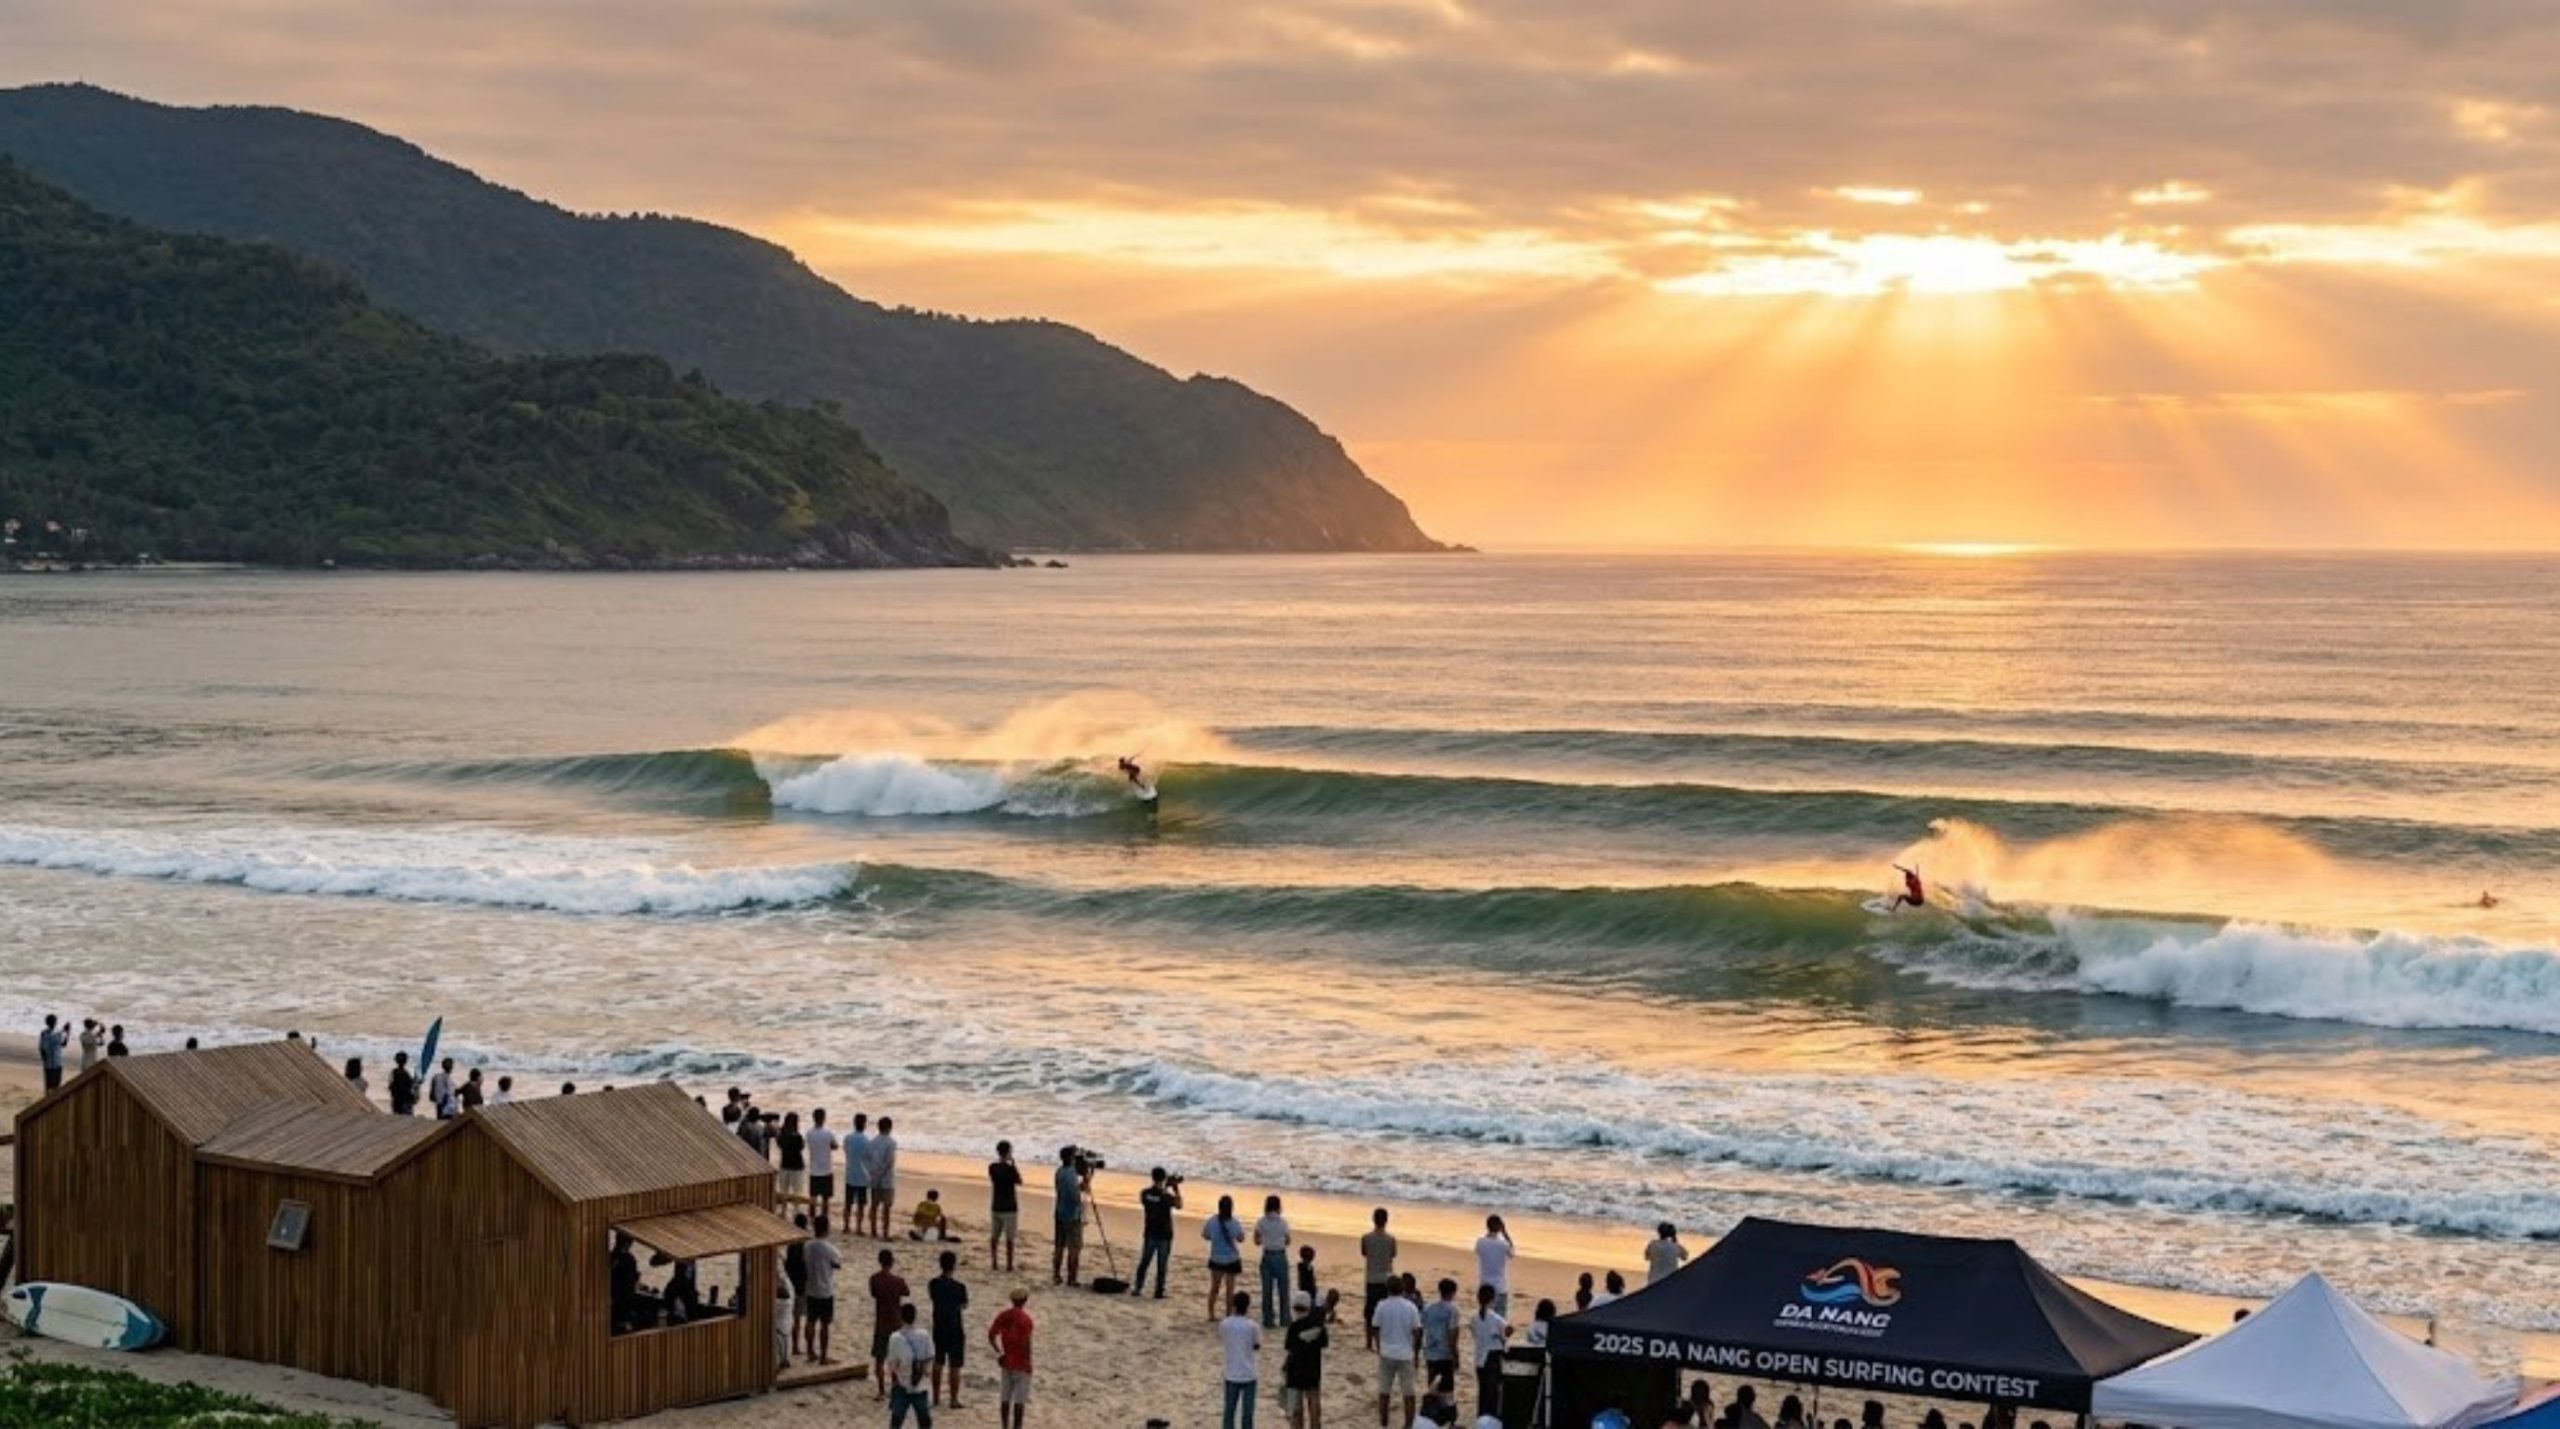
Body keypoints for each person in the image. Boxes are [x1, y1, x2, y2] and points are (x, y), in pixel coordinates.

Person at [1373, 1274, 1425, 1429]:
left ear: (1388, 1289)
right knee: (1408, 1392)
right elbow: (1417, 1331)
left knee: (1384, 1390)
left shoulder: (1381, 1305)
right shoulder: (1410, 1307)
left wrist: (1379, 1346)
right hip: (1405, 1353)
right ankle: (1408, 1424)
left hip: (1387, 1352)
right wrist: (1415, 1351)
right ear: (1402, 1289)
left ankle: (1384, 1422)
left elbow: (1375, 1327)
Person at [988, 1285, 1035, 1429]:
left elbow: (991, 1335)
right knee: (1019, 1400)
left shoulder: (1003, 1316)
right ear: (1025, 1300)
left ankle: (1004, 1426)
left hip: (1007, 1360)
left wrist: (999, 1353)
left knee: (1005, 1397)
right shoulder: (1026, 1319)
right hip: (1020, 1362)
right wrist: (1028, 1362)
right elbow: (1026, 1343)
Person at [928, 1249, 969, 1408]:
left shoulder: (933, 1284)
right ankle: (953, 1399)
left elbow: (933, 1298)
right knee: (955, 1365)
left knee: (938, 1362)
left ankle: (936, 1397)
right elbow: (964, 1304)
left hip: (939, 1326)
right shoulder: (960, 1287)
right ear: (954, 1266)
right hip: (955, 1327)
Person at [885, 1302, 936, 1428]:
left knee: (896, 1420)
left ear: (900, 1317)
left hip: (902, 1383)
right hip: (920, 1384)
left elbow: (892, 1364)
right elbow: (930, 1356)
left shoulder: (895, 1338)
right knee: (924, 1420)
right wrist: (925, 1371)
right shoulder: (924, 1335)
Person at [1135, 1166, 1183, 1298]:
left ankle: (1138, 1287)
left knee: (1144, 1261)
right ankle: (1159, 1290)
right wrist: (1176, 1189)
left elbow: (1153, 1199)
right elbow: (1179, 1205)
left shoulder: (1145, 1193)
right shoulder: (1166, 1196)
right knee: (1162, 1265)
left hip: (1150, 1232)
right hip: (1164, 1234)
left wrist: (1165, 1188)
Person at [1285, 1288, 1329, 1429]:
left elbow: (1289, 1347)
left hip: (1295, 1372)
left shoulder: (1293, 1327)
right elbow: (1325, 1343)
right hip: (1313, 1370)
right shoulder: (1318, 1326)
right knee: (1314, 1407)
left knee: (1296, 1411)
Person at [870, 1247, 912, 1394]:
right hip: (895, 1322)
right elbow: (906, 1292)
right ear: (892, 1262)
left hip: (881, 1322)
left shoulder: (874, 1279)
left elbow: (874, 1294)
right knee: (895, 1358)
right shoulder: (898, 1281)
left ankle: (881, 1389)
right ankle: (895, 1385)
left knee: (879, 1359)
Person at [1220, 1290, 1263, 1429]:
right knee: (1247, 1414)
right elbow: (1257, 1345)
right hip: (1249, 1373)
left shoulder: (1225, 1324)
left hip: (1231, 1372)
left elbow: (1224, 1339)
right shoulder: (1252, 1326)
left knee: (1229, 1412)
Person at [804, 1216, 844, 1364]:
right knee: (825, 1325)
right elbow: (837, 1264)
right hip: (825, 1289)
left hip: (810, 1288)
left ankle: (810, 1352)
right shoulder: (829, 1249)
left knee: (810, 1321)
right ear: (826, 1229)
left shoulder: (807, 1246)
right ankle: (823, 1356)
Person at [1203, 1193, 1247, 1322]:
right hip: (1231, 1259)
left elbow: (1205, 1235)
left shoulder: (1212, 1221)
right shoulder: (1234, 1223)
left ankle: (1211, 1314)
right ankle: (1228, 1314)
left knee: (1214, 1288)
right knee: (1230, 1290)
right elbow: (1241, 1238)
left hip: (1216, 1258)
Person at [1360, 1208, 1398, 1349]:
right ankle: (1381, 1341)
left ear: (1373, 1219)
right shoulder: (1391, 1239)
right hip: (1385, 1279)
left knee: (1370, 1312)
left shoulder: (1366, 1238)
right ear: (1386, 1221)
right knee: (1384, 1312)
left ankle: (1369, 1342)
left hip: (1371, 1278)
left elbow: (1364, 1253)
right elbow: (1393, 1254)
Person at [1052, 1146, 1090, 1286]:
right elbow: (1075, 1197)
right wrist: (1085, 1184)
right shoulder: (1072, 1174)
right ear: (1071, 1158)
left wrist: (1085, 1179)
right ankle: (1072, 1278)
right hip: (1072, 1215)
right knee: (1074, 1247)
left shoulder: (1060, 1171)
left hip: (1059, 1212)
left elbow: (1064, 1190)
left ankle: (1056, 1275)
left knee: (1059, 1245)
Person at [1468, 1283, 1508, 1415]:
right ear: (1493, 1299)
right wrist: (1503, 1338)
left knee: (1483, 1391)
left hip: (1479, 1357)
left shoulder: (1474, 1318)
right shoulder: (1496, 1318)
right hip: (1492, 1357)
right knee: (1493, 1394)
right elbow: (1507, 1331)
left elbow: (1474, 1333)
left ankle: (1481, 1418)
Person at [1419, 1277, 1461, 1401]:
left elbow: (1421, 1328)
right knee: (1447, 1391)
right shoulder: (1453, 1310)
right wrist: (1456, 1356)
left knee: (1432, 1387)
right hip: (1445, 1354)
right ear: (1453, 1292)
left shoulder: (1428, 1307)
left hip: (1430, 1352)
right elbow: (1452, 1336)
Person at [1256, 1195, 1294, 1328]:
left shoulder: (1261, 1221)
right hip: (1280, 1255)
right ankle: (1285, 1318)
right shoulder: (1283, 1222)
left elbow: (1256, 1241)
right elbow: (1288, 1241)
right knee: (1283, 1289)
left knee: (1267, 1290)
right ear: (1278, 1207)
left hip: (1267, 1255)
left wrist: (1266, 1239)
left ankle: (1268, 1319)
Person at [987, 1139, 1022, 1271]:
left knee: (994, 1236)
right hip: (1009, 1207)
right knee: (1009, 1238)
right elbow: (1019, 1181)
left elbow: (994, 1178)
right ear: (1008, 1152)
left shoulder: (992, 1167)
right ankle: (1009, 1264)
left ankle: (994, 1262)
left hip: (996, 1205)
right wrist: (1013, 1165)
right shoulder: (1010, 1169)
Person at [866, 1115, 901, 1239]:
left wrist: (874, 1173)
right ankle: (885, 1232)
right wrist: (882, 1172)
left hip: (874, 1176)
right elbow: (890, 1161)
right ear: (890, 1128)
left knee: (874, 1205)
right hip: (886, 1179)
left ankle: (873, 1230)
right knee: (886, 1208)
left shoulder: (872, 1142)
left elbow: (868, 1159)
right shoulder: (891, 1142)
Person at [1473, 1217, 1514, 1316]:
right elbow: (1512, 1253)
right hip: (1500, 1286)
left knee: (1485, 1316)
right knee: (1500, 1317)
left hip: (1484, 1285)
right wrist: (1505, 1233)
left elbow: (1478, 1251)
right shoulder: (1503, 1244)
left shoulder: (1480, 1242)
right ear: (1499, 1227)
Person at [785, 1214, 813, 1360]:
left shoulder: (791, 1244)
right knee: (806, 1318)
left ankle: (795, 1346)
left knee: (795, 1318)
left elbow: (788, 1265)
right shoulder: (805, 1244)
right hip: (803, 1284)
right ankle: (807, 1348)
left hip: (792, 1283)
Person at [809, 1110, 840, 1224]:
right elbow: (835, 1146)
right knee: (825, 1198)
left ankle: (812, 1218)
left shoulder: (809, 1133)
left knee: (813, 1196)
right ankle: (824, 1218)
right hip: (826, 1169)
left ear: (814, 1118)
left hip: (814, 1169)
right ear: (823, 1118)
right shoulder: (828, 1133)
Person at [608, 1230, 643, 1334]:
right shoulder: (629, 1259)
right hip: (623, 1299)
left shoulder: (611, 1256)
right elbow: (632, 1280)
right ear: (628, 1243)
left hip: (615, 1298)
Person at [846, 1113, 875, 1232]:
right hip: (863, 1176)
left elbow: (846, 1151)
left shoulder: (848, 1138)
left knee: (848, 1203)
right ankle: (858, 1227)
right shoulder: (866, 1140)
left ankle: (846, 1226)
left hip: (850, 1174)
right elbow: (870, 1157)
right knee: (861, 1204)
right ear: (864, 1124)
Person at [778, 1111, 808, 1202]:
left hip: (785, 1164)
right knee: (797, 1192)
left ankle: (783, 1209)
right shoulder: (798, 1136)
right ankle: (796, 1209)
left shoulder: (781, 1135)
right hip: (797, 1166)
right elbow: (801, 1147)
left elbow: (780, 1145)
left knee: (783, 1191)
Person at [36, 1015, 64, 1092]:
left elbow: (41, 1047)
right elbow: (63, 1044)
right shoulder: (58, 1033)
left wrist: (43, 1059)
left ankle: (48, 1097)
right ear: (55, 1022)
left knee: (49, 1084)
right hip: (56, 1061)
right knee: (55, 1084)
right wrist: (67, 1032)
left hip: (50, 1062)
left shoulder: (44, 1033)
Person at [387, 1050, 416, 1116]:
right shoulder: (408, 1073)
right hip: (406, 1100)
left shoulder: (393, 1072)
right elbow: (412, 1087)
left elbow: (390, 1086)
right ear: (406, 1061)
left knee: (398, 1117)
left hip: (397, 1100)